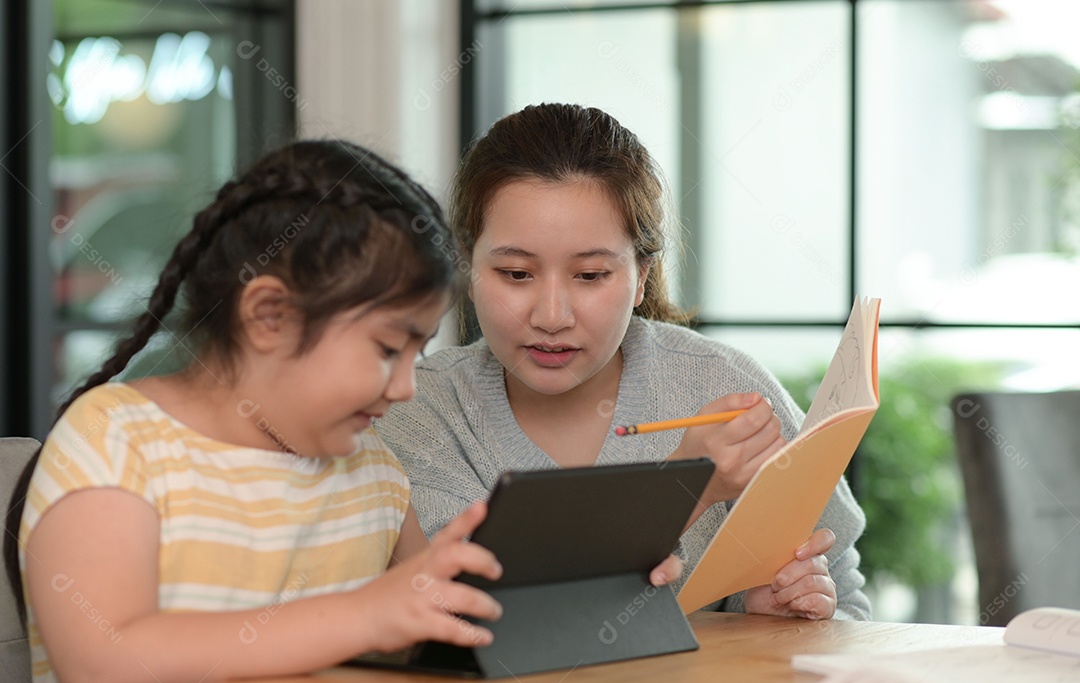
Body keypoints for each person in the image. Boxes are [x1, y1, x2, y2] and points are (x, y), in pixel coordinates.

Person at [1, 140, 517, 682]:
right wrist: (361, 617)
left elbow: (432, 649)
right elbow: (105, 662)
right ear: (269, 315)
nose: (407, 387)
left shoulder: (375, 474)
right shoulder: (113, 442)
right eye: (389, 349)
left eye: (420, 351)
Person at [376, 103, 872, 620]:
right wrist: (683, 489)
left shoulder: (725, 388)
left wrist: (785, 621)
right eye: (516, 274)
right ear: (467, 268)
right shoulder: (418, 407)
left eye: (590, 275)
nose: (551, 316)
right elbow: (494, 618)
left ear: (642, 275)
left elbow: (845, 593)